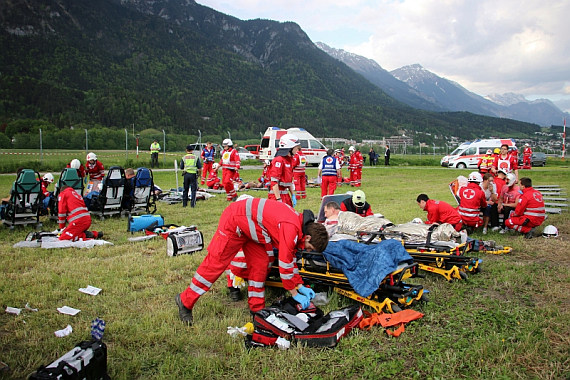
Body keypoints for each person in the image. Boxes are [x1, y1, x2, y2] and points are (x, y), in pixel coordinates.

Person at [174, 197, 330, 324]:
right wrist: (295, 293)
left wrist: (300, 285)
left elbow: (289, 262)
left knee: (260, 265)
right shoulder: (291, 228)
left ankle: (256, 310)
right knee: (215, 264)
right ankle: (185, 301)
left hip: (252, 230)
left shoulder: (298, 226)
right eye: (309, 247)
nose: (306, 250)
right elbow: (284, 265)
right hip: (235, 222)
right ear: (308, 237)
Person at [267, 134, 299, 207]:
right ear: (290, 148)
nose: (297, 150)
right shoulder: (279, 160)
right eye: (296, 148)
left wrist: (293, 194)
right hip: (276, 196)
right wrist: (278, 199)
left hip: (285, 195)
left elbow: (289, 181)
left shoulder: (289, 160)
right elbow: (274, 182)